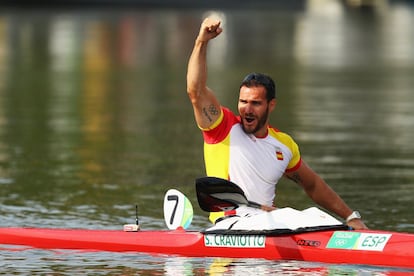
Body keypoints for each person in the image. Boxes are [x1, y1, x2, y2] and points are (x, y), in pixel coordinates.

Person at [186, 18, 368, 230]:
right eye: (243, 102)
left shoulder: (284, 145)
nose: (247, 109)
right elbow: (195, 92)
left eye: (255, 103)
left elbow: (313, 185)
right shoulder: (222, 128)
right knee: (299, 216)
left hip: (271, 226)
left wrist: (351, 217)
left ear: (271, 105)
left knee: (315, 216)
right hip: (230, 225)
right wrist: (201, 42)